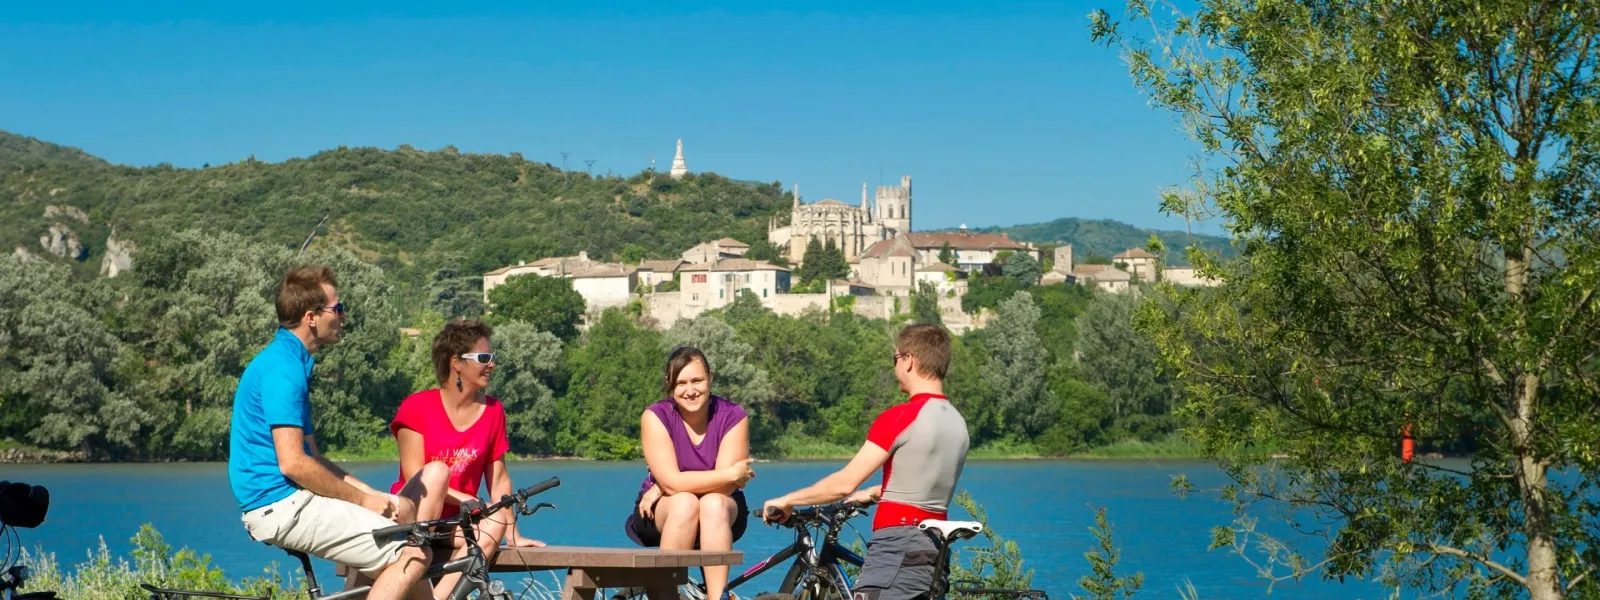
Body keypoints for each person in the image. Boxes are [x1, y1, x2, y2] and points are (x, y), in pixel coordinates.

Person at [229, 265, 450, 600]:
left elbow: (314, 458)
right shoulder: (283, 369)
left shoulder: (292, 361)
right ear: (311, 317)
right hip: (281, 504)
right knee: (415, 554)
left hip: (286, 499)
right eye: (338, 309)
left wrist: (374, 497)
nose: (344, 316)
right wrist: (363, 501)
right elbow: (294, 465)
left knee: (403, 510)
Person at [760, 324, 968, 600]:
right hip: (934, 547)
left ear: (909, 360)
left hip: (898, 544)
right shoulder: (957, 422)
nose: (895, 366)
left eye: (895, 358)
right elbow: (921, 483)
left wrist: (787, 500)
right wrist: (872, 493)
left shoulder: (902, 417)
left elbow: (842, 484)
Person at [390, 319, 544, 600]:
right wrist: (466, 499)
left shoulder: (494, 411)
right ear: (456, 363)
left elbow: (498, 480)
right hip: (414, 516)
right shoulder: (417, 407)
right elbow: (417, 477)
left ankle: (440, 598)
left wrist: (514, 533)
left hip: (456, 525)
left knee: (496, 520)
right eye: (484, 358)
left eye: (492, 358)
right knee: (434, 475)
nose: (492, 365)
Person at [625, 347, 755, 600]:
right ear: (669, 384)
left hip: (721, 513)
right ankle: (664, 595)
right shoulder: (655, 416)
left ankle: (717, 597)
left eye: (697, 380)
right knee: (684, 503)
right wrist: (667, 486)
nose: (690, 390)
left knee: (714, 502)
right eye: (681, 383)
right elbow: (723, 478)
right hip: (660, 512)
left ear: (711, 377)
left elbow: (725, 487)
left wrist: (668, 484)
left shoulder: (734, 416)